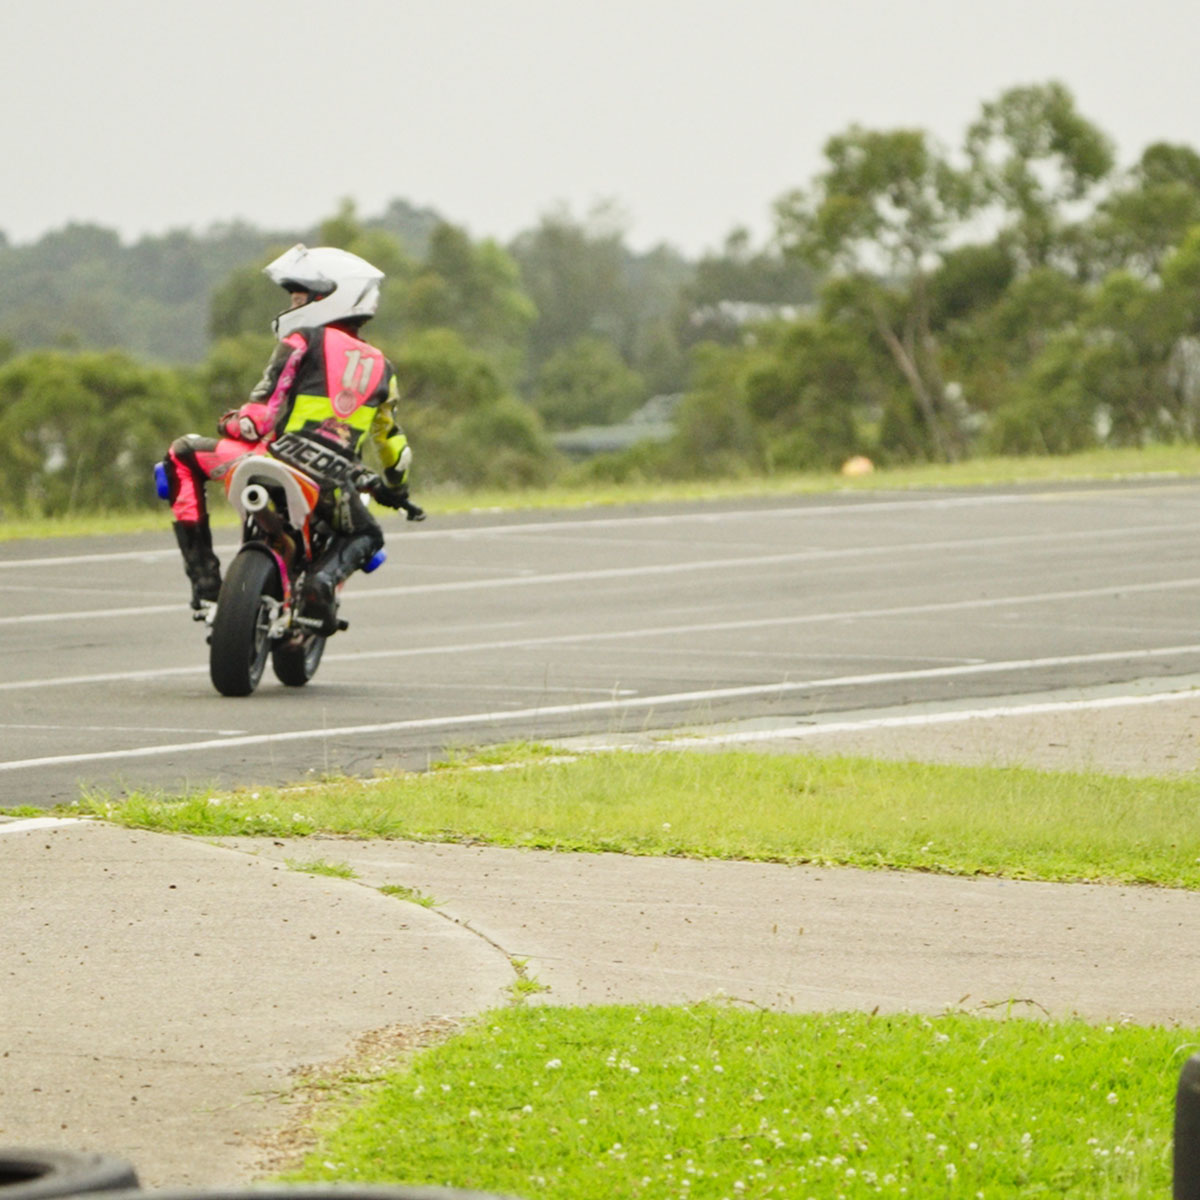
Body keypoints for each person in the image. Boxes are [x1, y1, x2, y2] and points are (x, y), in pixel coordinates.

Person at [162, 244, 416, 620]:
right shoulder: (384, 369)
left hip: (275, 458)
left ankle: (205, 582)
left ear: (333, 299)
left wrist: (231, 422)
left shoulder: (303, 340)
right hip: (335, 482)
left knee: (181, 455)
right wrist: (396, 490)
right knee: (367, 536)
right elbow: (392, 444)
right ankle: (323, 582)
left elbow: (261, 415)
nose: (292, 308)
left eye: (300, 298)